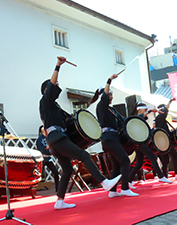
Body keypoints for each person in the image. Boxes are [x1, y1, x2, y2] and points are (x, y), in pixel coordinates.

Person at [39, 56, 122, 210]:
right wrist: (58, 66)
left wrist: (88, 105)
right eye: (55, 85)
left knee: (68, 169)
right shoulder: (45, 101)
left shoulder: (54, 108)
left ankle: (60, 201)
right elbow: (51, 85)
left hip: (56, 140)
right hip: (57, 139)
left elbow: (71, 121)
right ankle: (105, 182)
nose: (58, 87)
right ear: (46, 91)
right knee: (84, 156)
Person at [91, 74, 139, 198]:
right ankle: (124, 188)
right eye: (109, 95)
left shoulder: (112, 110)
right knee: (125, 161)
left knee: (117, 165)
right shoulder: (101, 107)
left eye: (111, 95)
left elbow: (125, 122)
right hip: (109, 139)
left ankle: (112, 191)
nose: (111, 97)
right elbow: (105, 97)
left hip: (113, 139)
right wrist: (109, 80)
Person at [128, 102, 172, 186]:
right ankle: (161, 176)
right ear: (139, 109)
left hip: (140, 142)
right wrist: (150, 111)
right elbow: (140, 117)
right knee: (152, 157)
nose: (146, 111)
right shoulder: (136, 118)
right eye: (145, 109)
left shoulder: (141, 119)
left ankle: (129, 180)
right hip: (139, 142)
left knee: (139, 162)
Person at [155, 98, 177, 180]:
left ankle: (164, 176)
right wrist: (170, 101)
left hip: (161, 142)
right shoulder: (160, 117)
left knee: (165, 160)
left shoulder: (159, 119)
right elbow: (166, 109)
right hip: (165, 141)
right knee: (174, 155)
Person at [36, 125, 60, 192]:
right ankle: (37, 186)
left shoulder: (49, 137)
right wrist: (49, 147)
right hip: (42, 158)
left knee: (55, 172)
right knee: (41, 173)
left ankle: (58, 187)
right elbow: (42, 149)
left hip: (49, 159)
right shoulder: (40, 139)